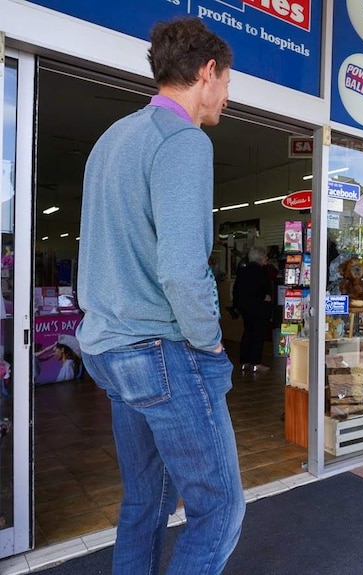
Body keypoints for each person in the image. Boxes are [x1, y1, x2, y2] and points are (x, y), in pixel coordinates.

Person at [75, 18, 245, 574]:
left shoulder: (112, 139)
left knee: (144, 501)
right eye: (227, 81)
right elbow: (181, 270)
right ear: (207, 72)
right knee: (219, 508)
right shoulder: (184, 141)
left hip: (110, 351)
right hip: (162, 354)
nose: (227, 95)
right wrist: (213, 346)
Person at [232, 245, 273, 372]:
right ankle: (256, 362)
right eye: (265, 255)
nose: (267, 258)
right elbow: (260, 289)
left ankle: (245, 362)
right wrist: (264, 296)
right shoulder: (261, 272)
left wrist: (237, 305)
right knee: (258, 334)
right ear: (260, 257)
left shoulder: (242, 270)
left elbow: (237, 290)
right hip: (258, 307)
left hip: (245, 307)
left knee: (248, 332)